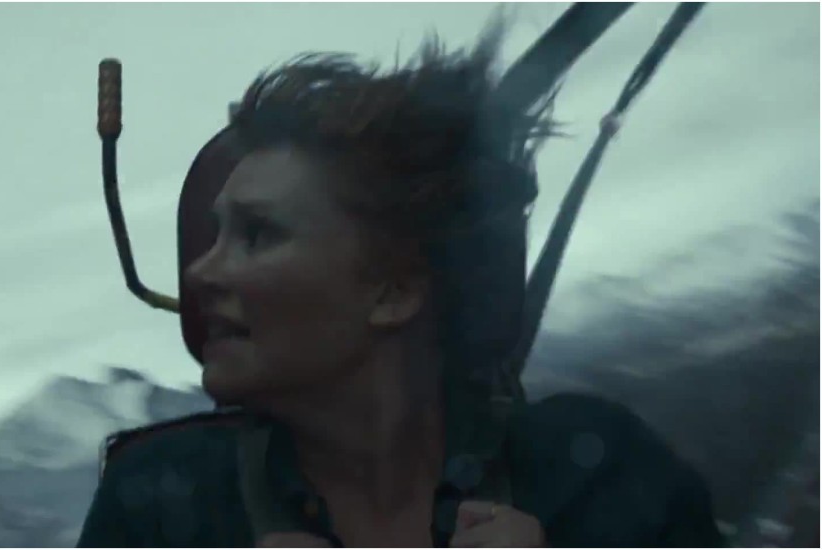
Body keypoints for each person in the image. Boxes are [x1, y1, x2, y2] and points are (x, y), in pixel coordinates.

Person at [76, 30, 725, 547]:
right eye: (216, 234)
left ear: (393, 289)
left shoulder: (598, 480)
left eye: (258, 235)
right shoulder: (163, 507)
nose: (200, 272)